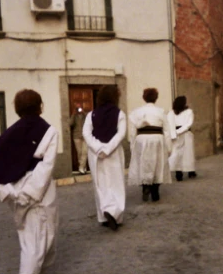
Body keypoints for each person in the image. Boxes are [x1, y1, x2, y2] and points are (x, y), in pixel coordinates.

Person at [0, 89, 59, 274]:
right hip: (38, 191)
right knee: (40, 235)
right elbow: (46, 167)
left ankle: (39, 272)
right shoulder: (49, 132)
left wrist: (10, 194)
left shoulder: (7, 134)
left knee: (31, 235)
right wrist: (29, 195)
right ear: (40, 106)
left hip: (14, 190)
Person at [82, 85, 127, 231]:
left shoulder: (91, 115)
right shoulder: (120, 114)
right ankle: (116, 214)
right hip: (113, 152)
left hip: (96, 154)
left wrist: (98, 148)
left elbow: (86, 134)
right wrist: (108, 148)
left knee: (100, 184)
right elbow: (121, 134)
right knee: (116, 182)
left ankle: (103, 215)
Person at [128, 87, 173, 202]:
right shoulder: (161, 111)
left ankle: (145, 187)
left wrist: (133, 146)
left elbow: (133, 131)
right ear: (156, 98)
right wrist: (169, 147)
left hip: (141, 139)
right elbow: (167, 131)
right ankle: (155, 191)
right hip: (157, 138)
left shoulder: (136, 112)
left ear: (144, 98)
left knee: (144, 163)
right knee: (158, 164)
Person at [168, 96, 197, 181]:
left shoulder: (171, 112)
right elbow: (188, 124)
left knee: (182, 153)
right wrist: (178, 132)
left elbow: (171, 125)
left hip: (178, 134)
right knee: (186, 153)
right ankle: (186, 172)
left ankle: (183, 172)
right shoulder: (188, 111)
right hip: (184, 133)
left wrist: (175, 132)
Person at [71, 106, 88, 174]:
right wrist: (73, 114)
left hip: (85, 136)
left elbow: (90, 121)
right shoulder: (74, 116)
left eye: (80, 108)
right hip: (77, 136)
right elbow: (70, 123)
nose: (79, 109)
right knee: (79, 153)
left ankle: (81, 167)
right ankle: (83, 167)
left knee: (85, 152)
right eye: (78, 108)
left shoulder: (85, 115)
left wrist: (84, 113)